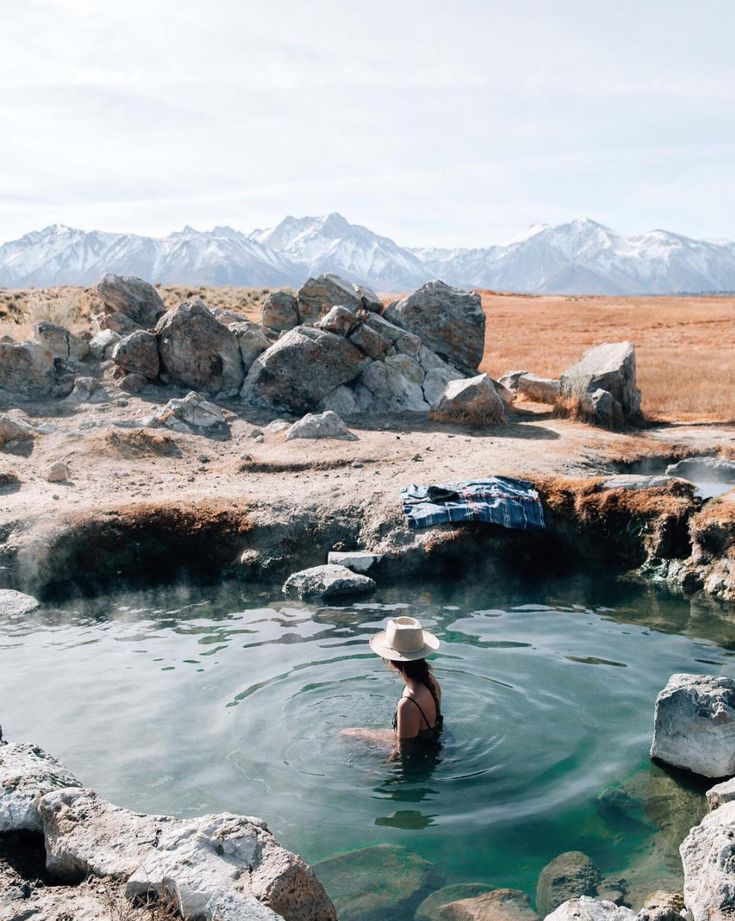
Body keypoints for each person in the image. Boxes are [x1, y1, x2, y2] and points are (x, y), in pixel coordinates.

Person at [342, 616, 442, 752]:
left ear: (391, 661)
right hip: (429, 740)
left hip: (420, 751)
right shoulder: (430, 680)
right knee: (350, 733)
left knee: (345, 735)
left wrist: (375, 771)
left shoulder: (408, 704)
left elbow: (403, 753)